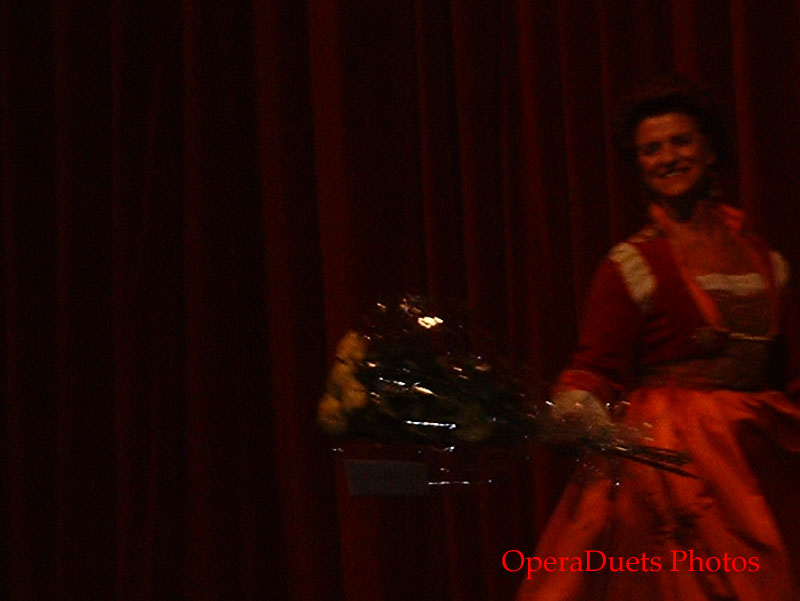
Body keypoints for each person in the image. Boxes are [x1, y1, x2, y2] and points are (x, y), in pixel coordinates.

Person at [516, 74, 800, 601]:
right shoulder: (633, 264)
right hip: (675, 463)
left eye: (680, 142)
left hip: (758, 457)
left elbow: (789, 367)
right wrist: (578, 411)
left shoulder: (765, 260)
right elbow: (594, 367)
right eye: (652, 150)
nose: (667, 158)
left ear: (709, 151)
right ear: (640, 165)